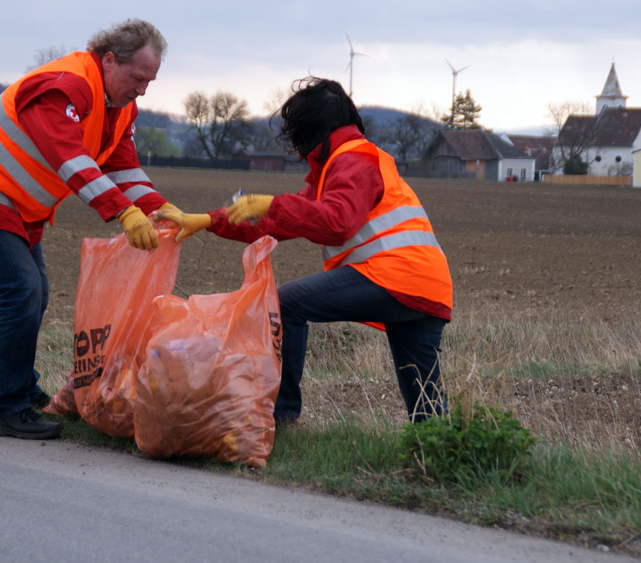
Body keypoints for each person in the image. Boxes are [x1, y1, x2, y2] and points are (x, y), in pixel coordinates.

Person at [157, 78, 453, 424]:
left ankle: (280, 420)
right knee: (428, 410)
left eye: (297, 135)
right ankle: (441, 459)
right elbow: (280, 220)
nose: (296, 150)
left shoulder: (354, 160)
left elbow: (336, 221)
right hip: (426, 285)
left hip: (394, 277)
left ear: (311, 132)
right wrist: (208, 220)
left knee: (287, 304)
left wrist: (272, 204)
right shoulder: (346, 163)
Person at [0, 19, 178, 440]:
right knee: (23, 289)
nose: (142, 89)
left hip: (18, 206)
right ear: (108, 60)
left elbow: (122, 166)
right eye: (138, 77)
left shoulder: (120, 109)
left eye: (150, 81)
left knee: (36, 291)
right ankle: (8, 408)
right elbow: (70, 159)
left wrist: (160, 208)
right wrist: (124, 213)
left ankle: (21, 388)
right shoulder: (65, 87)